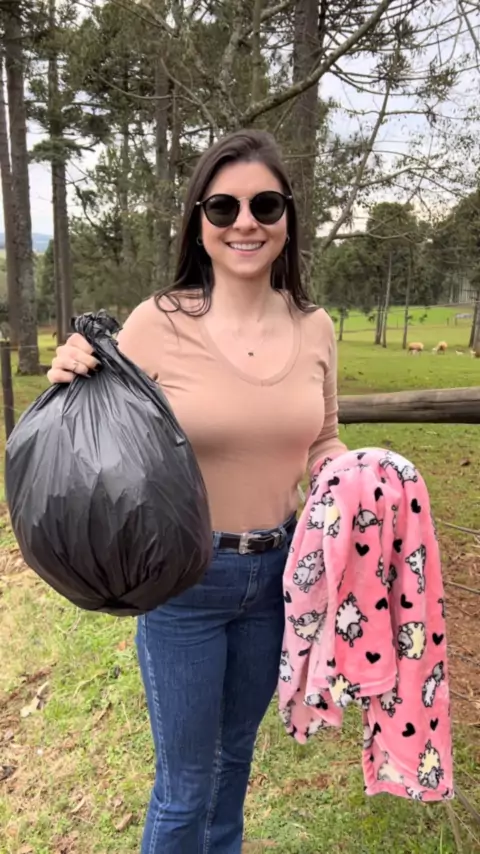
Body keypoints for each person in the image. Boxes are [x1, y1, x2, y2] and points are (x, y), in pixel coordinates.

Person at [47, 129, 347, 854]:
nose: (246, 222)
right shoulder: (158, 321)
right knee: (185, 785)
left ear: (287, 218)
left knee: (233, 761)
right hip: (186, 579)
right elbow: (103, 421)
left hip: (278, 578)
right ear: (199, 222)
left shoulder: (315, 327)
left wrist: (360, 478)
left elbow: (324, 442)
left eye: (265, 205)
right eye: (223, 207)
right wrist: (73, 368)